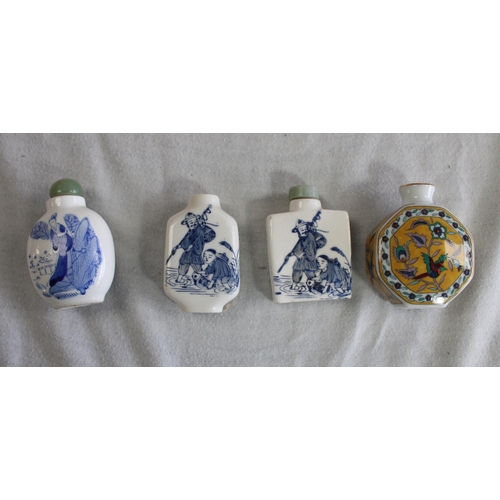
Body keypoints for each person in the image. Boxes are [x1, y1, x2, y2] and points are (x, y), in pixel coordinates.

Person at [175, 212, 216, 284]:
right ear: (187, 224)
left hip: (196, 253)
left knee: (197, 268)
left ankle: (200, 281)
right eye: (191, 222)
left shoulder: (200, 229)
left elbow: (211, 234)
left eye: (195, 221)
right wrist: (179, 246)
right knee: (183, 266)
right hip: (187, 254)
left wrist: (203, 226)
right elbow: (185, 241)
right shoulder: (190, 232)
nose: (193, 223)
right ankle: (178, 280)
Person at [288, 220, 326, 290]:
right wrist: (293, 253)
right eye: (300, 229)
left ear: (307, 227)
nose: (302, 230)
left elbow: (322, 240)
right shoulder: (301, 238)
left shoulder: (312, 236)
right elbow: (298, 247)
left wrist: (316, 244)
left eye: (304, 228)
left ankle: (313, 287)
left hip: (309, 260)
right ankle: (293, 286)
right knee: (297, 272)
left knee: (311, 274)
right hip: (300, 260)